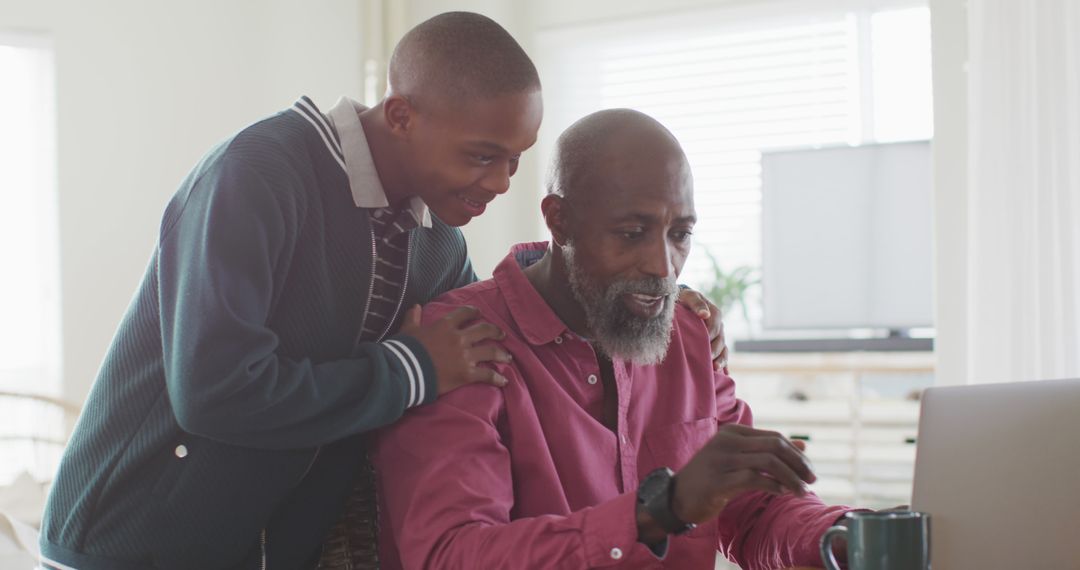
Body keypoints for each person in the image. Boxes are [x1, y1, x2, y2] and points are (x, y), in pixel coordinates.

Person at [39, 13, 725, 570]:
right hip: (124, 543)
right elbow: (215, 391)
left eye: (516, 158)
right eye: (482, 154)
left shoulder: (437, 245)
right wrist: (413, 367)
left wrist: (649, 295)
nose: (500, 182)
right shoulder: (260, 175)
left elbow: (495, 341)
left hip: (257, 550)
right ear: (400, 115)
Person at [373, 109, 860, 570]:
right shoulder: (461, 345)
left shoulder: (689, 333)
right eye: (632, 233)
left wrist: (841, 535)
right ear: (559, 220)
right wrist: (659, 511)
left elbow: (751, 511)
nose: (663, 267)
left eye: (680, 234)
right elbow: (452, 556)